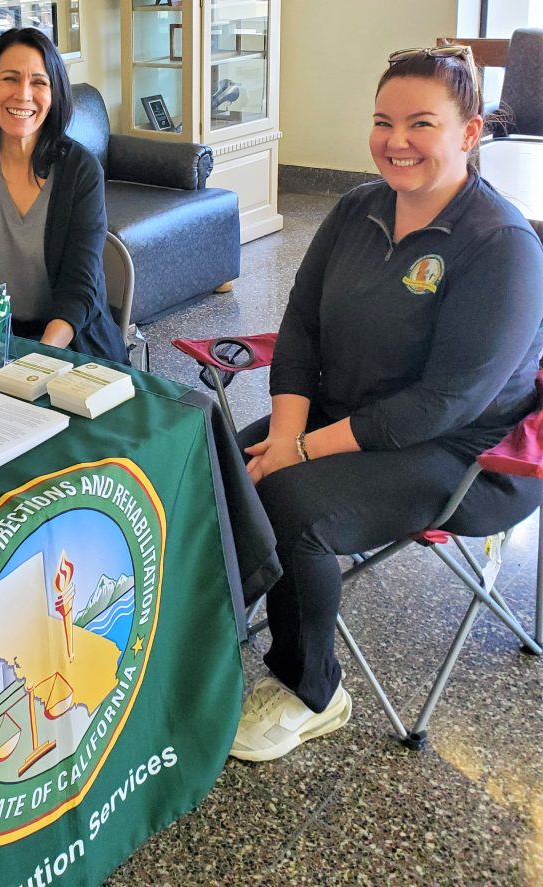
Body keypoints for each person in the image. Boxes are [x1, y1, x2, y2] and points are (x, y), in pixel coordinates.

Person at [230, 45, 543, 762]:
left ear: (469, 132)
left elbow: (444, 402)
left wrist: (301, 451)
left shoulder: (503, 245)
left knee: (294, 505)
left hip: (463, 452)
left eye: (420, 123)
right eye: (383, 121)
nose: (396, 140)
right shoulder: (356, 208)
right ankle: (216, 629)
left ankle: (312, 690)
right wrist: (287, 431)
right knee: (223, 464)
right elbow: (301, 327)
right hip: (349, 408)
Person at [0, 28, 127, 363]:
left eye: (39, 82)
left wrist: (37, 357)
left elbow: (79, 287)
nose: (23, 94)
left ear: (54, 93)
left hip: (74, 344)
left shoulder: (81, 171)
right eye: (10, 78)